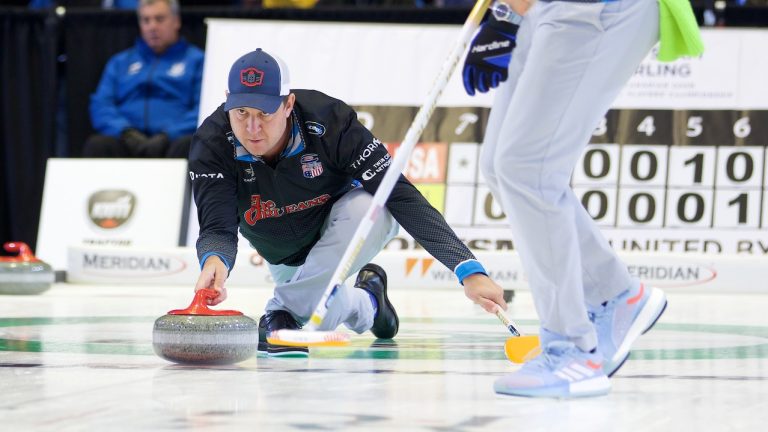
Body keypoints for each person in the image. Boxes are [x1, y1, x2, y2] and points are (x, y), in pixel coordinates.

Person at [189, 48, 508, 357]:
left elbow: (397, 194)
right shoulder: (213, 143)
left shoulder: (331, 122)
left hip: (342, 231)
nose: (252, 128)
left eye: (264, 113)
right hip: (282, 251)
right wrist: (215, 261)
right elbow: (217, 226)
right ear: (227, 101)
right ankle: (370, 302)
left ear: (288, 105)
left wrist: (467, 268)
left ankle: (282, 311)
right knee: (315, 313)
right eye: (241, 112)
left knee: (373, 205)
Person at [461, 0, 668, 398]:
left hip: (594, 7)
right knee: (502, 166)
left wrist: (506, 15)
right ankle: (615, 293)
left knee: (528, 168)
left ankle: (572, 349)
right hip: (540, 8)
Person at [83, 0, 204, 158]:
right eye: (146, 20)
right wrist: (125, 132)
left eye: (159, 19)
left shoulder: (197, 61)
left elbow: (203, 108)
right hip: (127, 141)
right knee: (98, 144)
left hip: (173, 141)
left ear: (176, 21)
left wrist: (168, 135)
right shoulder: (120, 62)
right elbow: (101, 105)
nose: (152, 26)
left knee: (190, 144)